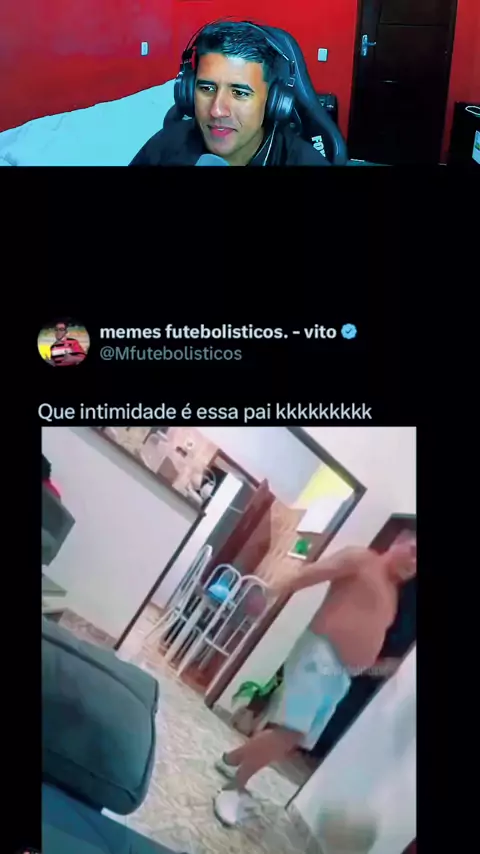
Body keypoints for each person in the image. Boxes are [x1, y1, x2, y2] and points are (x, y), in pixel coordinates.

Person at [213, 531, 417, 826]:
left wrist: (379, 666)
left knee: (299, 736)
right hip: (319, 655)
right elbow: (308, 574)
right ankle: (234, 787)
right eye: (413, 551)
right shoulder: (360, 559)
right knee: (290, 731)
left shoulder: (393, 594)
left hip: (341, 674)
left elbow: (366, 629)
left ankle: (231, 760)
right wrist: (268, 592)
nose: (415, 563)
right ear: (397, 542)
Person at [130, 22, 330, 167]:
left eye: (239, 93)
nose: (217, 111)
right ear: (188, 92)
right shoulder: (163, 148)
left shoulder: (304, 161)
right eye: (207, 89)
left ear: (272, 101)